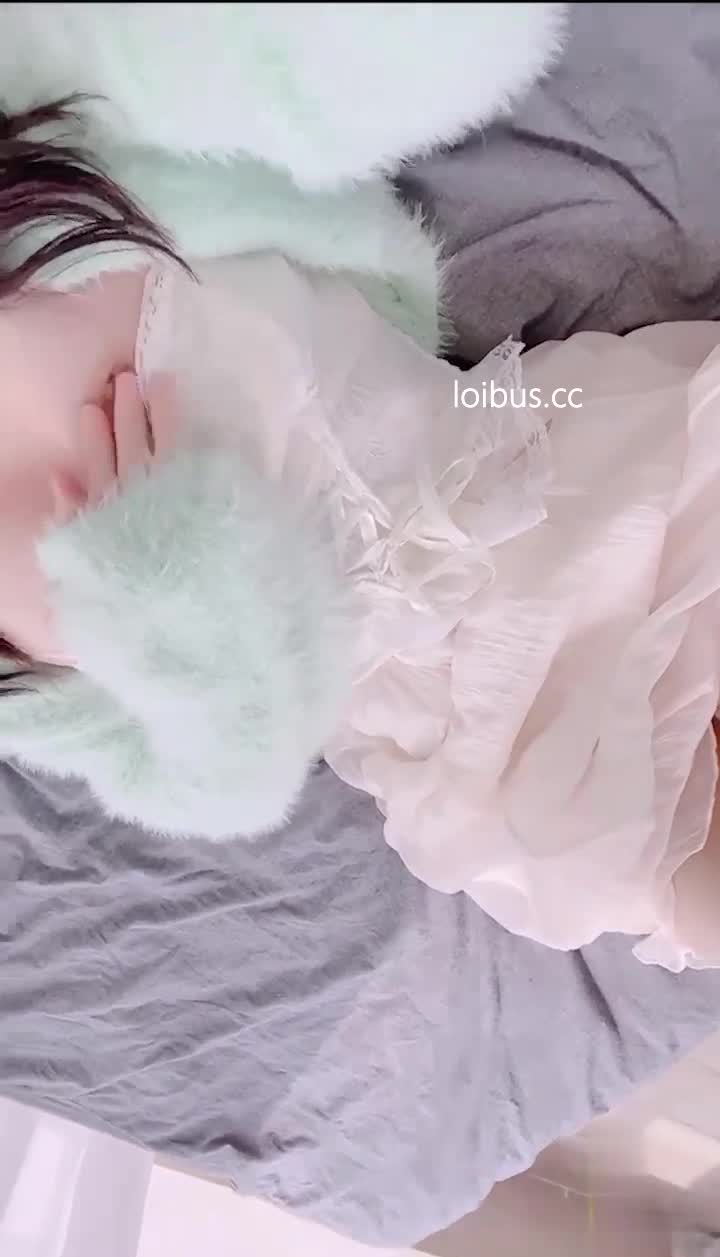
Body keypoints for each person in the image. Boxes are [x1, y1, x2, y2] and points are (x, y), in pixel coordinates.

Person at [3, 83, 720, 977]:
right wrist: (189, 625)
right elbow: (214, 780)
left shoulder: (71, 155)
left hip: (556, 468)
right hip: (457, 719)